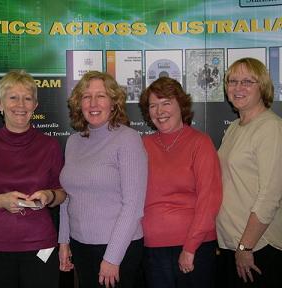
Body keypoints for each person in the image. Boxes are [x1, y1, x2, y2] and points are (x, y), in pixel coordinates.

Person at [0, 70, 66, 288]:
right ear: (0, 104)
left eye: (27, 98)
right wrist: (2, 201)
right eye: (13, 97)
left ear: (35, 105)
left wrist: (48, 195)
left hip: (41, 248)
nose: (21, 104)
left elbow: (61, 193)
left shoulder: (50, 146)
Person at [58, 71, 148, 288]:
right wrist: (64, 241)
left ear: (113, 103)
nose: (93, 103)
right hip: (80, 246)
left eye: (101, 96)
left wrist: (112, 258)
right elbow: (68, 198)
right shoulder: (73, 142)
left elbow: (133, 207)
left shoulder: (128, 139)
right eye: (86, 96)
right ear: (79, 103)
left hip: (117, 249)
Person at [139, 76, 222, 288]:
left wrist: (190, 248)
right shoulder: (142, 145)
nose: (159, 111)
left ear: (181, 105)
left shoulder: (199, 142)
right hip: (151, 248)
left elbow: (209, 199)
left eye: (166, 103)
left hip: (193, 246)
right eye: (153, 106)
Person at [216, 57, 282, 287]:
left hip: (257, 249)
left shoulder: (270, 128)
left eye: (247, 81)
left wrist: (246, 246)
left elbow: (270, 196)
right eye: (232, 81)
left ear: (262, 86)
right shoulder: (234, 127)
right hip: (230, 245)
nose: (238, 88)